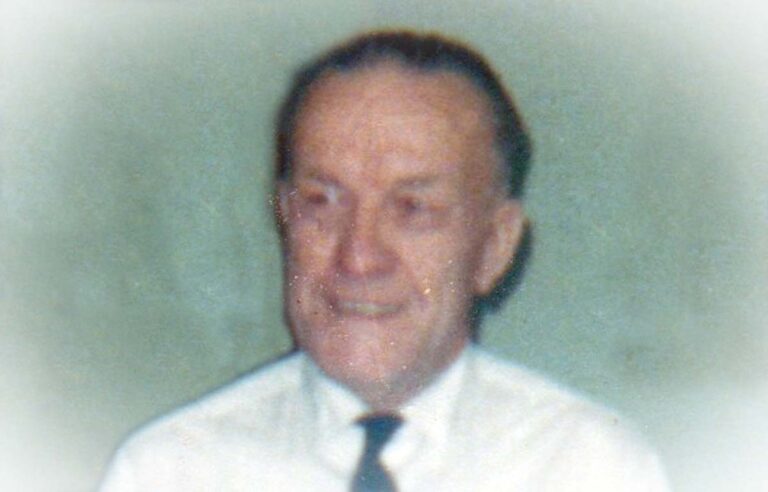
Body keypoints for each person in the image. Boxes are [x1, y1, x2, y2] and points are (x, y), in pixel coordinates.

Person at [100, 31, 669, 491]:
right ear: (284, 218)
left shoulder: (593, 469)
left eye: (413, 209)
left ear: (495, 246)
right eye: (322, 203)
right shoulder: (170, 471)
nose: (359, 257)